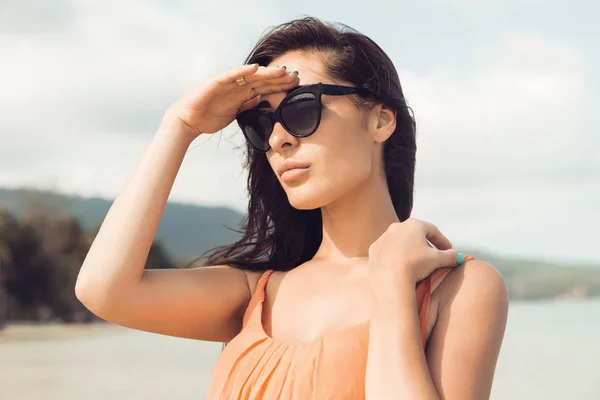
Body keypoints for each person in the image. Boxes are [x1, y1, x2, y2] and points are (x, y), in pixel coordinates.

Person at [75, 16, 509, 399]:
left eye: (302, 109)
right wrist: (180, 125)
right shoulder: (256, 294)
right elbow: (104, 290)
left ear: (380, 120)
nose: (279, 138)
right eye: (262, 123)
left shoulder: (457, 288)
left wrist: (392, 282)